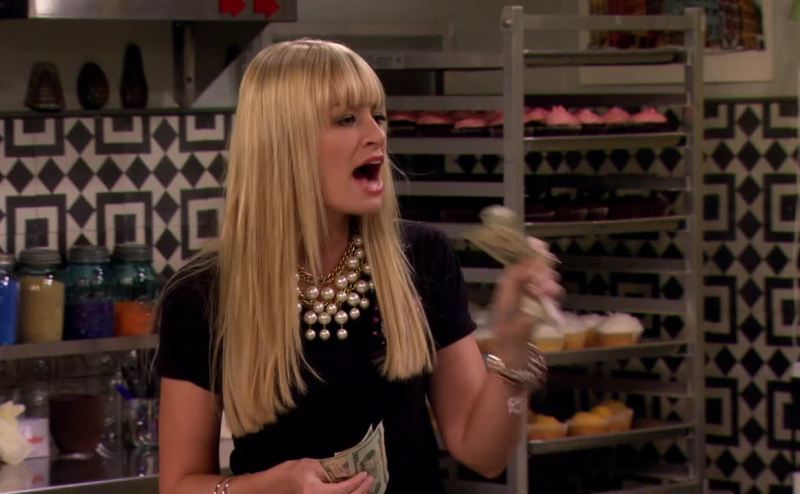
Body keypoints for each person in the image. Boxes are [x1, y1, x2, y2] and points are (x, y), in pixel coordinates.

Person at [156, 38, 561, 494]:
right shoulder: (203, 293)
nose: (376, 134)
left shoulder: (421, 256)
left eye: (378, 116)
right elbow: (179, 485)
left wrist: (511, 345)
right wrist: (272, 486)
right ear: (284, 143)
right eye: (346, 119)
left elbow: (484, 455)